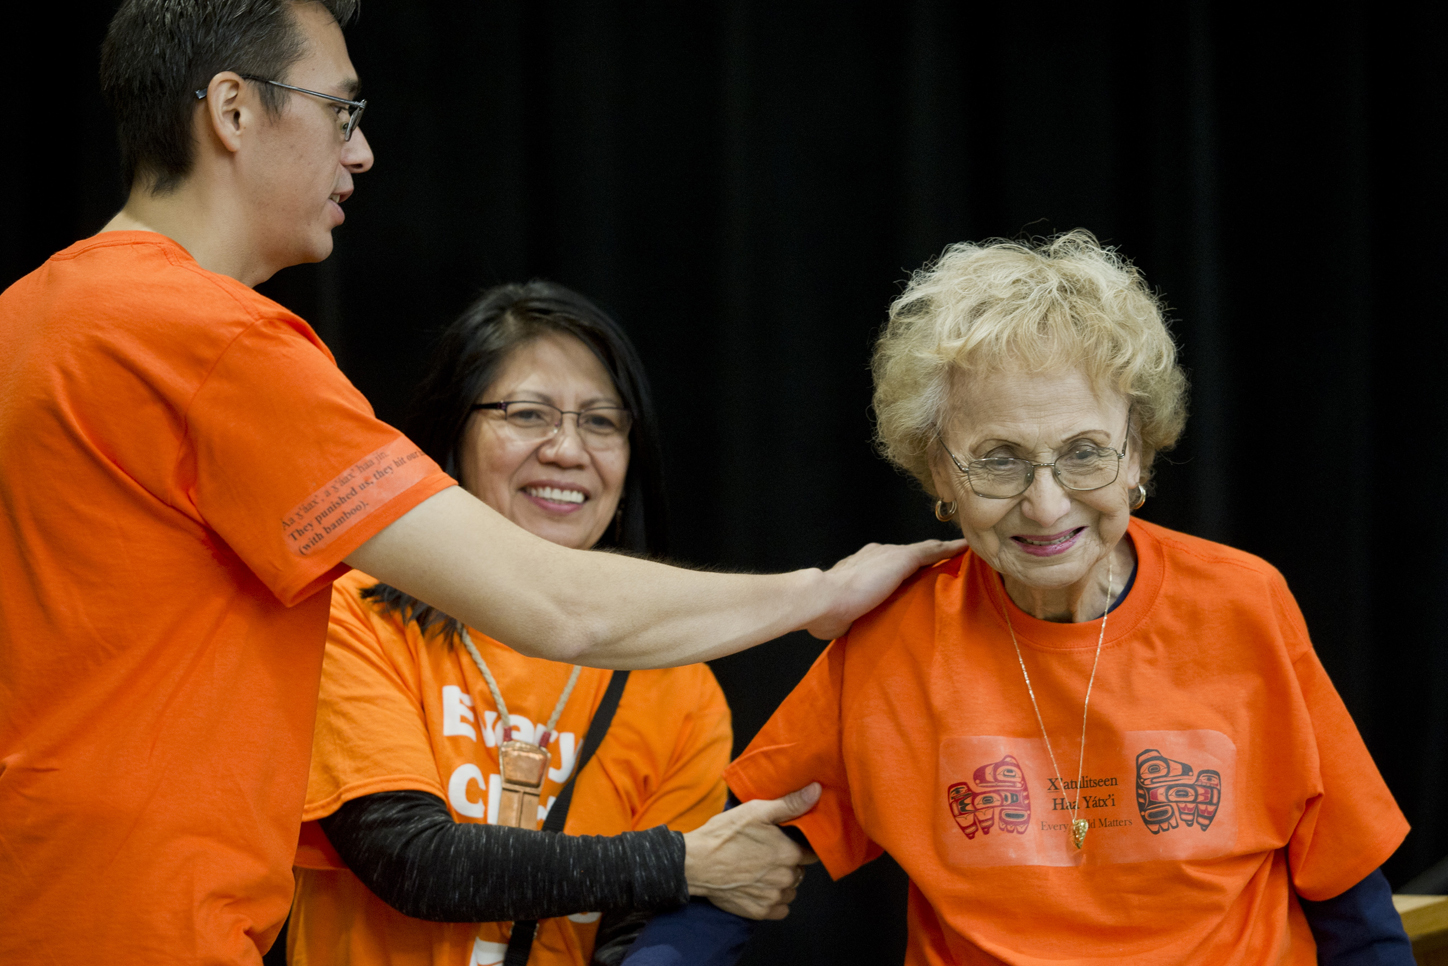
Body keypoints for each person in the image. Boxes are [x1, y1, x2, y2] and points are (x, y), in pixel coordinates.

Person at [0, 3, 959, 964]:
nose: (362, 153)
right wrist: (821, 593)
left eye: (600, 422)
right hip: (137, 924)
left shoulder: (30, 314)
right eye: (341, 111)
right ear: (233, 111)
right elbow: (552, 604)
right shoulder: (214, 340)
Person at [723, 232, 1415, 964]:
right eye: (999, 460)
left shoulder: (1242, 603)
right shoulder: (894, 635)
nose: (1047, 506)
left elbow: (1351, 896)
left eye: (1084, 452)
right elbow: (739, 855)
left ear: (1139, 451)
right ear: (940, 472)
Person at [287, 282, 807, 966]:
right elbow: (413, 860)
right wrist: (678, 860)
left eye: (600, 421)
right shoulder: (356, 616)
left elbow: (640, 931)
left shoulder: (678, 687)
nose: (567, 450)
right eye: (527, 414)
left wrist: (678, 883)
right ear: (452, 438)